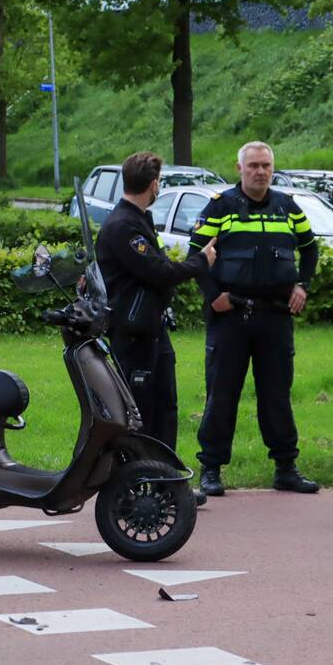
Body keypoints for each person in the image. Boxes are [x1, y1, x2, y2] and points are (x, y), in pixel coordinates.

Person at [186, 141, 320, 496]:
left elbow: (310, 249)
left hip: (275, 317)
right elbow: (196, 253)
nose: (260, 172)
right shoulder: (220, 207)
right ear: (239, 168)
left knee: (277, 396)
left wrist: (303, 285)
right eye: (253, 166)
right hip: (231, 317)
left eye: (266, 166)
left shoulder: (288, 207)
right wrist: (213, 295)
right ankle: (211, 469)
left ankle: (286, 468)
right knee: (222, 395)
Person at [95, 151, 217, 504]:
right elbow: (158, 272)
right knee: (141, 412)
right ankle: (134, 486)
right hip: (133, 334)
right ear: (153, 185)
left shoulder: (137, 220)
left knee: (164, 407)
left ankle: (166, 482)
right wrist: (202, 261)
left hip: (151, 329)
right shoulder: (123, 226)